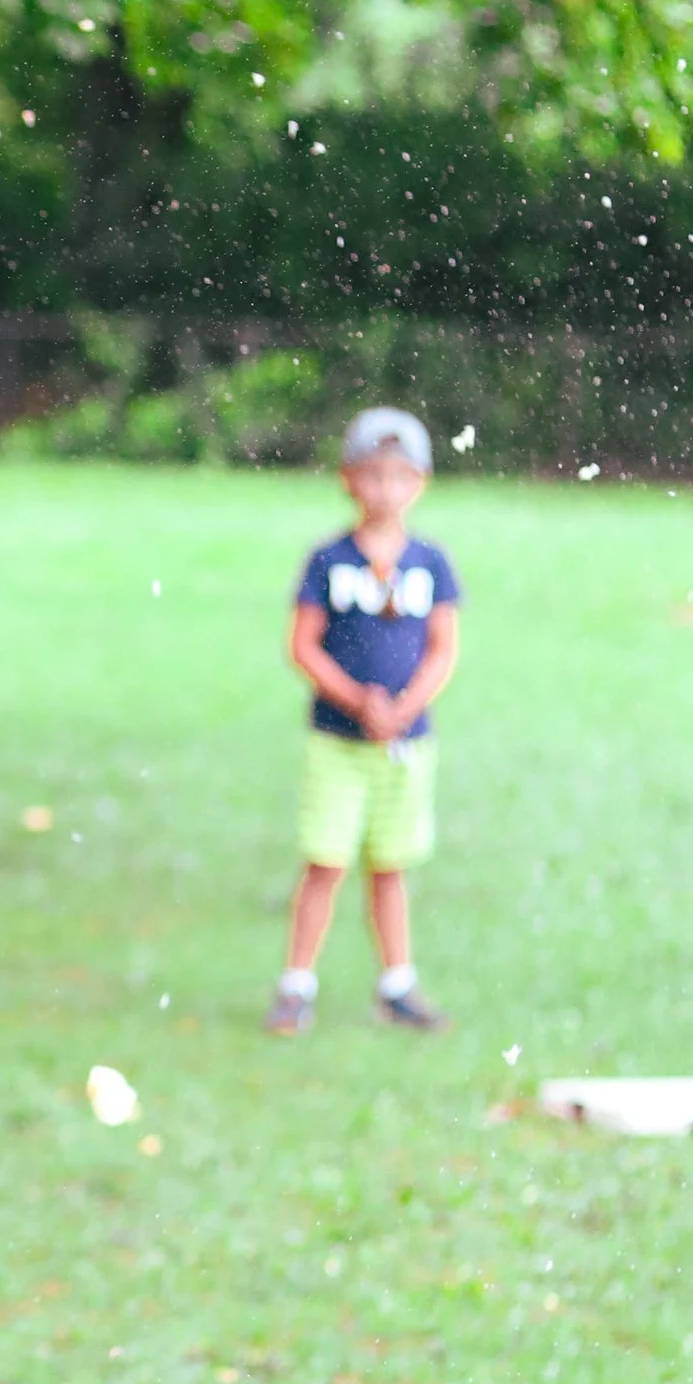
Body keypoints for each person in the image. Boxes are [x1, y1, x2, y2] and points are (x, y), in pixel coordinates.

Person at [264, 406, 462, 1036]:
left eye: (400, 477)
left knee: (391, 863)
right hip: (338, 740)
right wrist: (357, 700)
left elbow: (443, 648)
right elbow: (302, 645)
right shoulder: (328, 561)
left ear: (420, 484)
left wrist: (405, 709)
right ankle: (297, 984)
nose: (386, 490)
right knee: (325, 861)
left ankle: (397, 984)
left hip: (406, 744)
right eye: (373, 475)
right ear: (349, 480)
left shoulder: (431, 564)